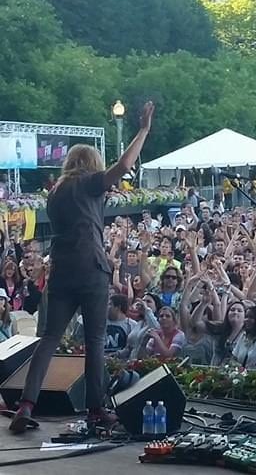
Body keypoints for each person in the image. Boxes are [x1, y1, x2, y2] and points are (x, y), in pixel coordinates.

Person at [9, 101, 154, 434]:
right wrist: (144, 129)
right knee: (95, 340)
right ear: (91, 165)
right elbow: (125, 165)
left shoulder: (55, 192)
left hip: (61, 270)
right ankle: (96, 409)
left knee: (49, 339)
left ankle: (26, 404)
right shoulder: (88, 183)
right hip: (90, 268)